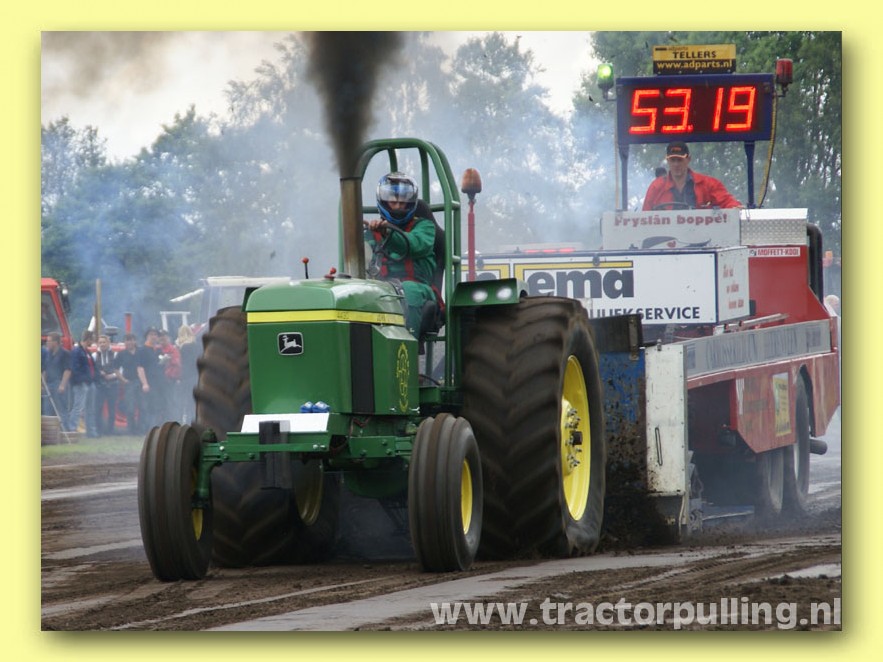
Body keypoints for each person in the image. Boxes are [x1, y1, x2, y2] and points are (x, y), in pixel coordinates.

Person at [364, 172, 437, 336]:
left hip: (418, 288)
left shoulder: (425, 227)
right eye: (393, 201)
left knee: (408, 291)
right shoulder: (370, 233)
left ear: (411, 203)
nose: (397, 206)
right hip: (380, 287)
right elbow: (362, 260)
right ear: (384, 201)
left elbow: (412, 245)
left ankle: (407, 344)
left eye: (402, 202)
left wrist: (387, 233)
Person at [642, 141, 742, 211]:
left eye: (680, 160)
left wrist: (736, 209)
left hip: (703, 235)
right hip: (666, 235)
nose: (676, 164)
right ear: (667, 161)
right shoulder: (656, 187)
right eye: (672, 160)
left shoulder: (708, 184)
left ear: (688, 159)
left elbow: (729, 203)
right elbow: (644, 219)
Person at [115, 333, 149, 435]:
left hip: (141, 382)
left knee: (143, 407)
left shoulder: (141, 352)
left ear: (135, 341)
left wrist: (145, 382)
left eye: (131, 340)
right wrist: (123, 379)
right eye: (127, 340)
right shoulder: (121, 354)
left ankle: (141, 429)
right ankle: (131, 430)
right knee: (130, 408)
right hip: (129, 383)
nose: (129, 342)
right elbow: (115, 369)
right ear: (124, 342)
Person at [67, 330, 98, 436]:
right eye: (92, 339)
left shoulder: (86, 352)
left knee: (90, 408)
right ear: (88, 339)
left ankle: (91, 431)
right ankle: (72, 429)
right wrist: (82, 380)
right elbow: (74, 368)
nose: (93, 342)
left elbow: (92, 367)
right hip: (81, 384)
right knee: (78, 407)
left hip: (89, 383)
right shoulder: (77, 351)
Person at [92, 334, 120, 436]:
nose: (102, 344)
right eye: (100, 342)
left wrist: (112, 376)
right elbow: (92, 369)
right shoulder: (94, 356)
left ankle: (110, 431)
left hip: (113, 384)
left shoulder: (115, 354)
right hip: (100, 386)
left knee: (112, 409)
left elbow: (120, 369)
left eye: (104, 342)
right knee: (98, 408)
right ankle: (99, 430)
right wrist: (99, 373)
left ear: (108, 343)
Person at [42, 332, 71, 420]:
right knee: (47, 411)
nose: (47, 343)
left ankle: (64, 428)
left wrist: (62, 385)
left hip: (59, 384)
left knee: (61, 410)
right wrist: (43, 384)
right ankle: (50, 429)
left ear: (55, 342)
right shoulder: (48, 354)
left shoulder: (65, 353)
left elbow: (67, 370)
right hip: (49, 385)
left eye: (49, 341)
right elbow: (45, 369)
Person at [176, 324, 199, 423]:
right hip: (196, 376)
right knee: (195, 402)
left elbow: (183, 364)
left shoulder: (183, 347)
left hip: (187, 377)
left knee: (187, 401)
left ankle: (189, 421)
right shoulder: (196, 345)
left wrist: (180, 378)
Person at [157, 329, 181, 421]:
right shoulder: (157, 350)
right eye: (160, 337)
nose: (162, 338)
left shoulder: (173, 350)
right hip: (159, 381)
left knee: (171, 402)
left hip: (170, 380)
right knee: (161, 403)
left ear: (168, 338)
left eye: (164, 336)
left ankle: (173, 421)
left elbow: (177, 364)